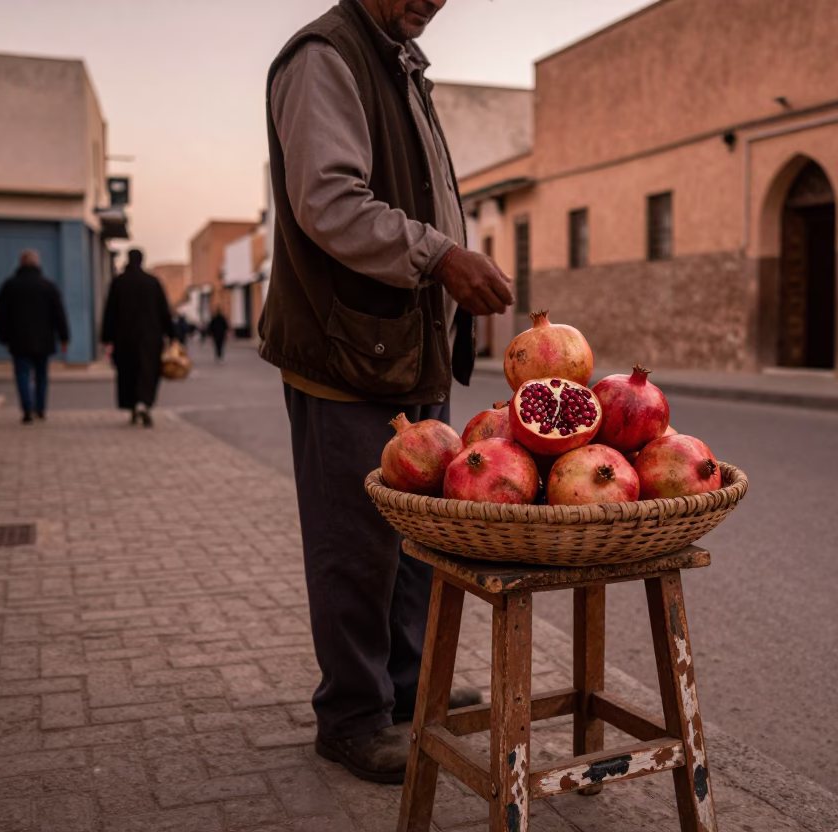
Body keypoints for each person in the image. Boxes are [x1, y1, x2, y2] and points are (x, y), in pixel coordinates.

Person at [260, 0, 514, 784]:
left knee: (413, 543)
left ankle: (406, 692)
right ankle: (351, 715)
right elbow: (329, 202)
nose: (433, 0)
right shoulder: (325, 58)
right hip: (348, 358)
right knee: (356, 548)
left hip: (406, 354)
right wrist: (441, 257)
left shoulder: (401, 62)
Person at [0, 249, 70, 424]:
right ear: (37, 264)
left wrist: (3, 336)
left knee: (22, 373)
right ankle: (40, 408)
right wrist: (64, 337)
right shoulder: (48, 286)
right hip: (44, 340)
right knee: (41, 375)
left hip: (18, 339)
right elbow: (59, 313)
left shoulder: (10, 286)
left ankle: (27, 409)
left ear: (20, 263)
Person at [101, 249, 174, 428]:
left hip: (124, 338)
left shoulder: (119, 283)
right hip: (150, 338)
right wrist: (172, 334)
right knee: (147, 372)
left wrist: (106, 337)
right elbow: (164, 311)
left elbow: (110, 312)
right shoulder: (152, 283)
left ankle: (133, 406)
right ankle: (144, 403)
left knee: (128, 373)